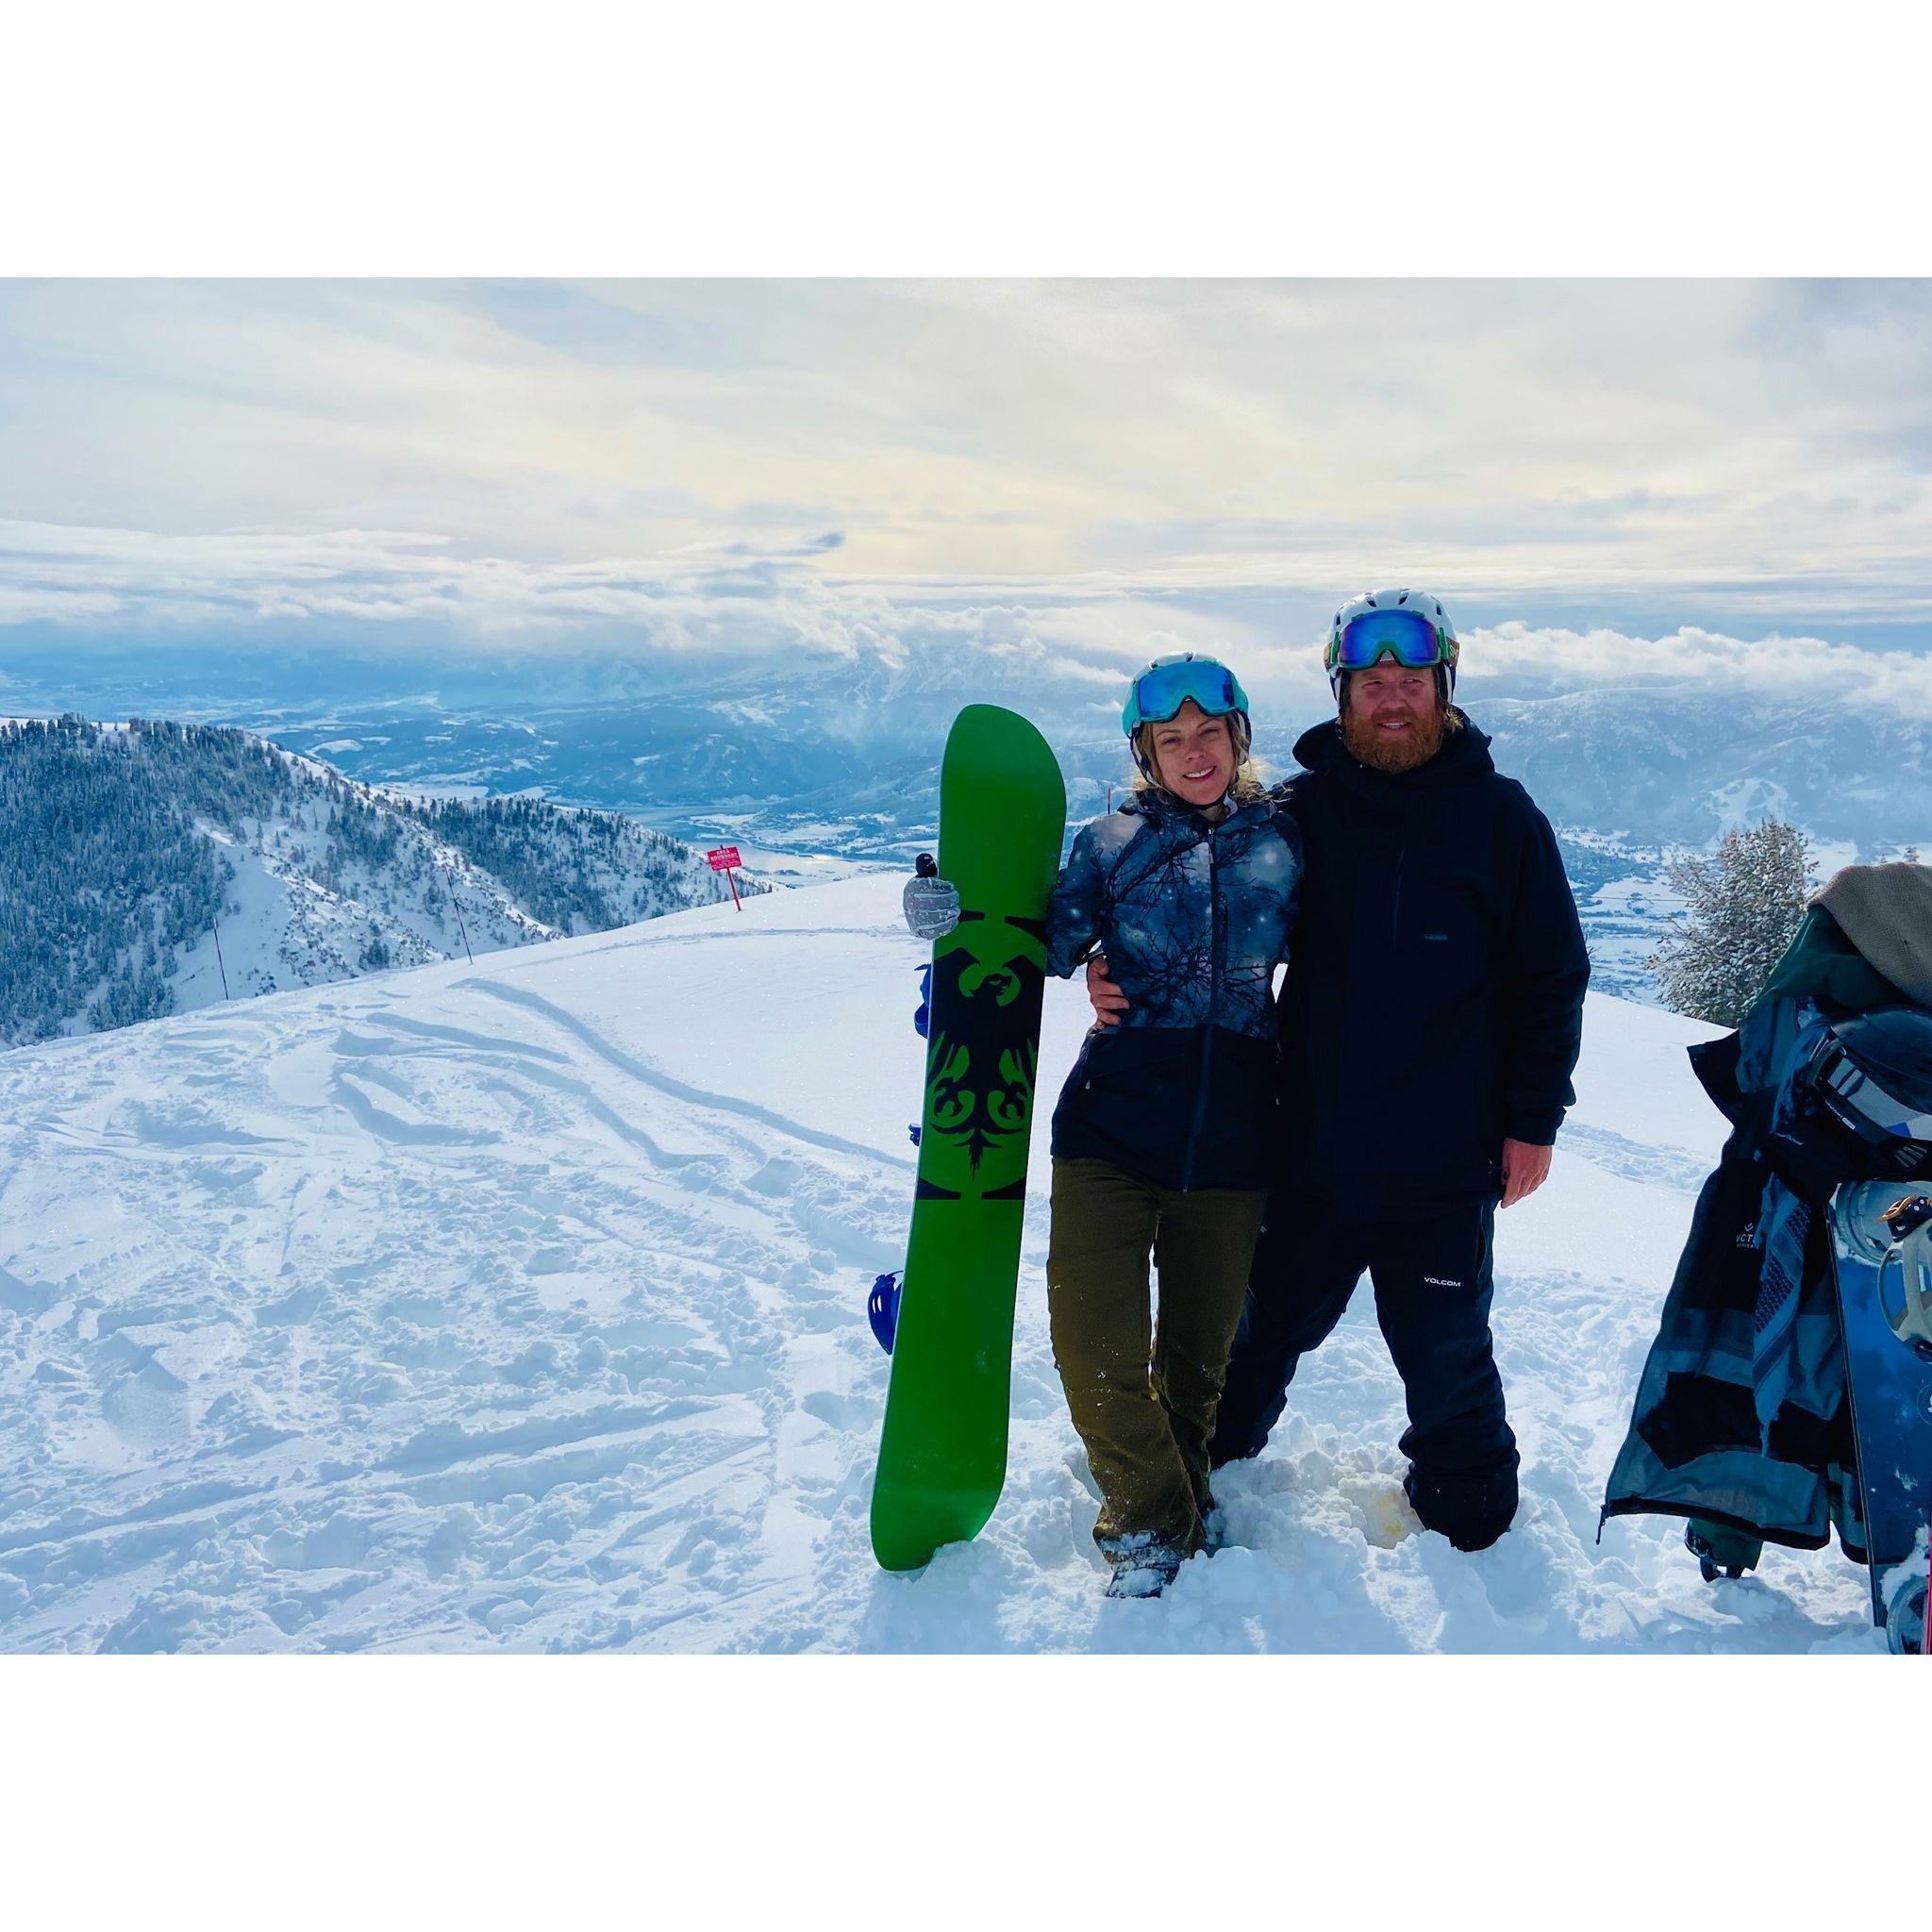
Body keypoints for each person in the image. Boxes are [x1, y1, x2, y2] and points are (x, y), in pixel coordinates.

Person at [1087, 591, 1590, 1553]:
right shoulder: (1296, 813)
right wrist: (1114, 965)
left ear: (1442, 687)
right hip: (1306, 1142)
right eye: (1369, 680)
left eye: (1409, 679)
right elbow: (1194, 903)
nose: (1389, 697)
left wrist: (1533, 1121)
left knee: (1446, 1355)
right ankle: (1197, 1467)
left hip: (1445, 1158)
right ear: (1340, 690)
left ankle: (1473, 1520)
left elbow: (1550, 975)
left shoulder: (1499, 818)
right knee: (1250, 1337)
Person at [905, 654, 1302, 1596]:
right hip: (1110, 1130)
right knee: (1093, 1344)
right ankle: (1151, 1527)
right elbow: (1033, 936)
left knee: (1196, 1370)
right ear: (1145, 751)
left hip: (1237, 1137)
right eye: (1172, 739)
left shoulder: (1286, 842)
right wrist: (946, 910)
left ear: (1237, 738)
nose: (1193, 752)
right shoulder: (1109, 842)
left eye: (1209, 733)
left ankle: (1179, 1506)